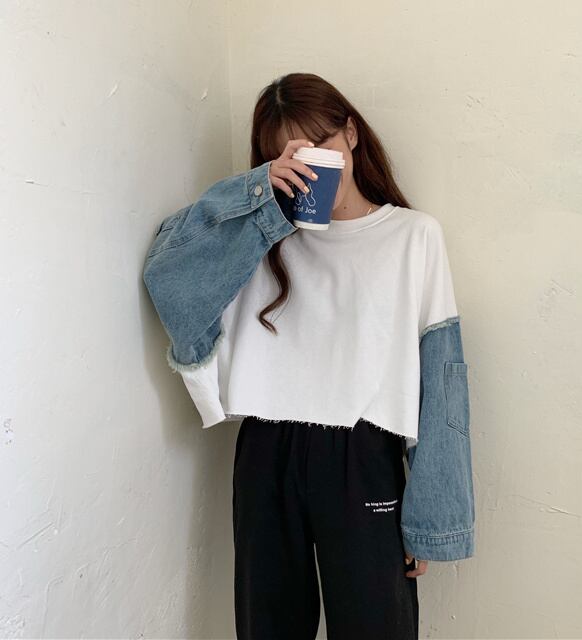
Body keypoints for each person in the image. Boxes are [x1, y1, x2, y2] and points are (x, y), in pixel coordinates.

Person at [142, 72, 475, 640]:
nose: (313, 163)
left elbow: (441, 378)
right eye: (290, 155)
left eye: (322, 143)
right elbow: (168, 279)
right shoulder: (257, 237)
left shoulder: (413, 236)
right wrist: (257, 194)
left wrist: (432, 516)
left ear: (352, 134)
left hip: (363, 456)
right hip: (266, 451)